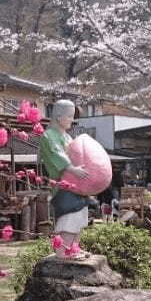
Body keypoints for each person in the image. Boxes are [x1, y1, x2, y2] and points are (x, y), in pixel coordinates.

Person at [39, 99, 90, 260]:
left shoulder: (67, 136)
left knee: (79, 217)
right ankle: (63, 251)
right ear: (59, 116)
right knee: (69, 218)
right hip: (63, 186)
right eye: (69, 116)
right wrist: (72, 168)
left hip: (77, 185)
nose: (71, 119)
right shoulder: (48, 136)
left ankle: (74, 248)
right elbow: (57, 155)